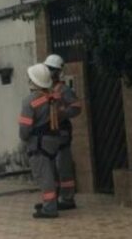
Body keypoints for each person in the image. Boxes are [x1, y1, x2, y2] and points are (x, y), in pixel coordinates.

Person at [19, 63, 61, 218]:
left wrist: (24, 139)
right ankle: (51, 202)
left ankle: (50, 208)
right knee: (51, 173)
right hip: (53, 141)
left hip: (38, 144)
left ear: (33, 81)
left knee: (44, 175)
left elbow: (24, 129)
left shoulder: (29, 101)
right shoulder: (54, 97)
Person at [43, 54, 82, 210]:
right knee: (52, 168)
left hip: (62, 133)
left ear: (58, 71)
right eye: (48, 69)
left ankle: (67, 198)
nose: (49, 72)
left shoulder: (64, 89)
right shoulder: (46, 90)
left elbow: (77, 107)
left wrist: (62, 113)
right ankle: (56, 197)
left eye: (52, 69)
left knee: (63, 166)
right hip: (50, 133)